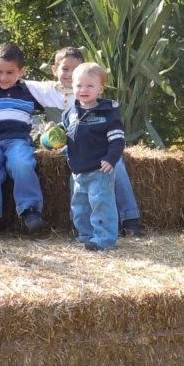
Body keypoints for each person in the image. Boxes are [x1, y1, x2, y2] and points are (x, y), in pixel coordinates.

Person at [26, 46, 143, 236]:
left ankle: (129, 218)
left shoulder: (89, 91)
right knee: (79, 186)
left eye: (75, 69)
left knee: (116, 165)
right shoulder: (45, 89)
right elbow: (14, 76)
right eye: (65, 68)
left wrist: (111, 155)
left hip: (95, 145)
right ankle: (84, 229)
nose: (69, 74)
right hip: (70, 145)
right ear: (54, 70)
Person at [0, 43, 63, 239]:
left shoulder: (29, 91)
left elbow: (59, 93)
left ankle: (30, 210)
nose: (3, 77)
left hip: (19, 140)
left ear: (21, 71)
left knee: (21, 162)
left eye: (10, 72)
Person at [58, 62, 125, 251]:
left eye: (90, 86)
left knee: (101, 204)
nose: (83, 90)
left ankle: (104, 239)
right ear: (72, 87)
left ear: (100, 89)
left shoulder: (108, 114)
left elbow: (117, 140)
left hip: (100, 169)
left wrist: (111, 158)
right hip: (78, 171)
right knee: (79, 206)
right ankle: (86, 235)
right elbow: (62, 135)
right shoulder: (70, 114)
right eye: (79, 85)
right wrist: (52, 133)